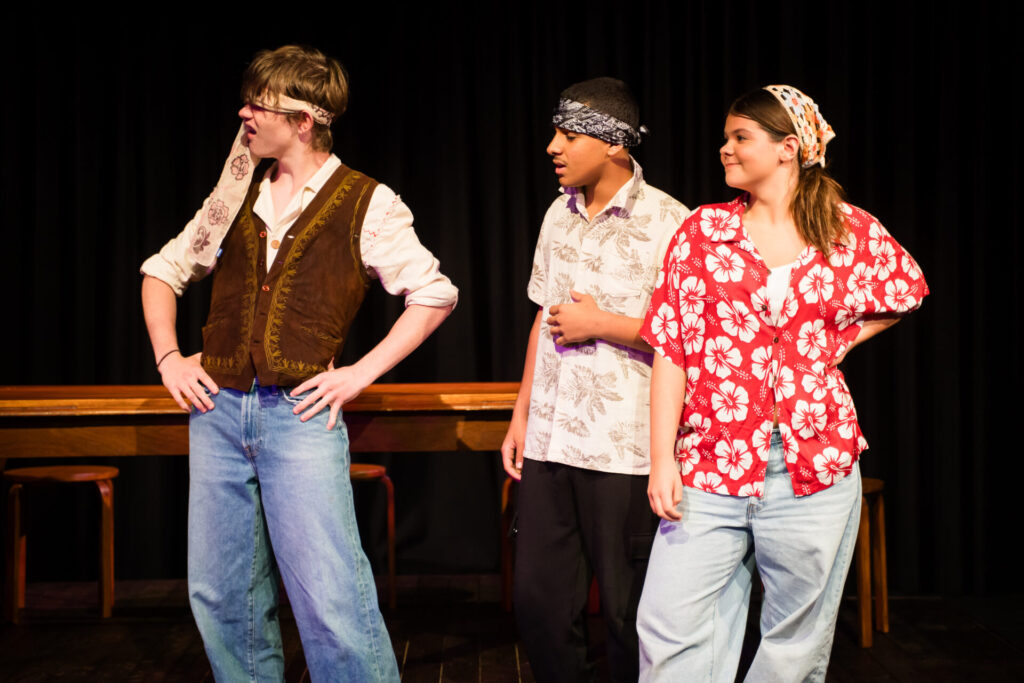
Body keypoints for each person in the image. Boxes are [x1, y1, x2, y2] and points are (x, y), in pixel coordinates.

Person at [140, 45, 456, 682]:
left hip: (297, 415)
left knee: (329, 597)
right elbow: (162, 271)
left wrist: (357, 372)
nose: (245, 114)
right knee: (222, 594)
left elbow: (433, 292)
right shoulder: (236, 194)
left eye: (260, 105)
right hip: (219, 409)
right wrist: (169, 357)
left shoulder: (365, 200)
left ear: (304, 120)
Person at [635, 85, 929, 681]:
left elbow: (907, 289)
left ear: (788, 148)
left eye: (740, 137)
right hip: (712, 459)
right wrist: (661, 458)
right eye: (726, 137)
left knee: (795, 638)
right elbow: (672, 346)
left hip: (812, 461)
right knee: (668, 626)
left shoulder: (844, 230)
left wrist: (840, 339)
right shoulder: (703, 231)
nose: (725, 149)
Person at [501, 77, 688, 682]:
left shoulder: (671, 222)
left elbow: (690, 338)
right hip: (552, 440)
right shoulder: (559, 212)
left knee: (628, 612)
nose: (553, 146)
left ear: (613, 145)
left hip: (624, 446)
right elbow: (543, 316)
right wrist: (521, 415)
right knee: (539, 602)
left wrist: (601, 324)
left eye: (569, 135)